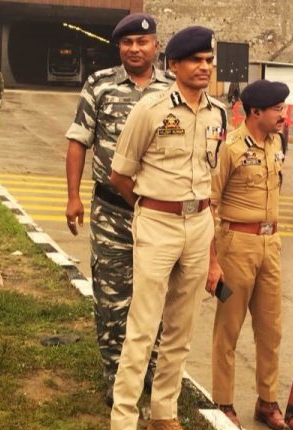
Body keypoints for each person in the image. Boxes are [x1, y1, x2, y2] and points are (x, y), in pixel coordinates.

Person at [106, 25, 226, 430]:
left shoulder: (218, 113)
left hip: (199, 224)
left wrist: (212, 252)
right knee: (142, 327)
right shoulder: (151, 109)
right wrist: (151, 207)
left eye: (208, 61)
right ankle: (123, 427)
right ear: (173, 65)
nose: (204, 67)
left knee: (180, 330)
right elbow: (120, 174)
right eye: (195, 60)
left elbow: (210, 183)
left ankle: (163, 419)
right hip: (157, 222)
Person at [64, 12, 172, 407]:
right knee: (112, 297)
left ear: (155, 45)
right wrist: (73, 196)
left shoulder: (173, 89)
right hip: (111, 212)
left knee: (157, 295)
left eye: (142, 42)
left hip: (159, 213)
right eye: (127, 42)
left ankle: (149, 372)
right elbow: (79, 140)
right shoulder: (101, 84)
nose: (135, 48)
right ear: (119, 47)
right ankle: (115, 374)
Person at [209, 79, 289, 430]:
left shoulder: (277, 143)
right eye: (277, 109)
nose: (283, 115)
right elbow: (210, 204)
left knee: (271, 329)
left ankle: (266, 400)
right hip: (236, 245)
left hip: (270, 245)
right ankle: (223, 402)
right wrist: (212, 260)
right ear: (256, 112)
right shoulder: (229, 148)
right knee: (228, 329)